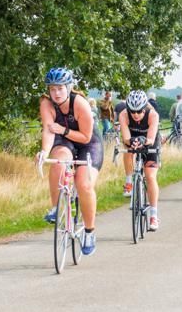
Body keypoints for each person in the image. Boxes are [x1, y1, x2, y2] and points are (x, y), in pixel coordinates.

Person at [37, 67, 103, 255]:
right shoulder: (46, 104)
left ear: (69, 87)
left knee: (84, 185)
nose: (56, 93)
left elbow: (85, 137)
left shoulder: (80, 104)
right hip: (64, 139)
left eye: (60, 88)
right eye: (52, 89)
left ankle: (89, 232)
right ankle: (56, 207)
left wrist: (63, 130)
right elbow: (49, 130)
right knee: (58, 160)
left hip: (88, 142)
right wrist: (43, 151)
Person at [119, 90, 162, 230]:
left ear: (145, 108)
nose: (136, 115)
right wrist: (130, 141)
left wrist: (145, 141)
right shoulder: (124, 115)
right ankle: (129, 181)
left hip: (150, 141)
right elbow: (125, 138)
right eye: (133, 111)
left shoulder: (153, 114)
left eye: (139, 111)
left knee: (150, 176)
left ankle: (154, 215)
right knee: (128, 151)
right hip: (132, 138)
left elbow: (151, 138)